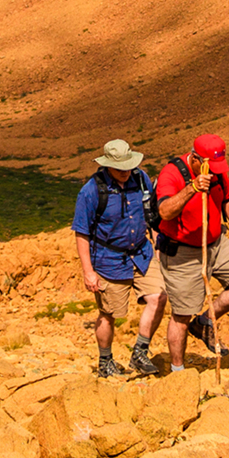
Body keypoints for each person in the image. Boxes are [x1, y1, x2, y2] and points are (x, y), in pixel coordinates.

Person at [153, 133, 229, 370]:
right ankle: (178, 370)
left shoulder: (217, 172)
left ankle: (204, 322)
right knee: (182, 314)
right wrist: (192, 187)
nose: (214, 172)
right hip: (182, 252)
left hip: (215, 243)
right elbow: (165, 211)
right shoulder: (172, 173)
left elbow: (228, 199)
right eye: (210, 167)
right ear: (194, 158)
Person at [69, 138, 167, 379]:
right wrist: (88, 271)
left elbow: (150, 213)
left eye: (128, 167)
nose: (125, 173)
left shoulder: (142, 179)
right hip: (108, 259)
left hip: (141, 254)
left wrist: (156, 243)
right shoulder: (91, 191)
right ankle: (105, 361)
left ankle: (140, 352)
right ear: (107, 166)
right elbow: (81, 232)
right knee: (110, 314)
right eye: (119, 169)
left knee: (159, 297)